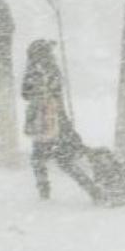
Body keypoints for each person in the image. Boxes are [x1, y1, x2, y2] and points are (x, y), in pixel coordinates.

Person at [21, 39, 101, 202]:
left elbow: (27, 93)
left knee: (44, 160)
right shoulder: (49, 69)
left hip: (47, 123)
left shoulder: (39, 70)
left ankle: (45, 194)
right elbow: (31, 93)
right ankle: (92, 191)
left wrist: (38, 91)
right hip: (51, 122)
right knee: (61, 162)